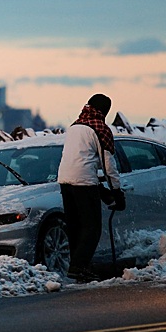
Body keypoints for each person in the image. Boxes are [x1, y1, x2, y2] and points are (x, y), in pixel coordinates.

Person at [57, 93, 124, 283]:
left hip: (64, 179)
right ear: (104, 110)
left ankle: (80, 266)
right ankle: (77, 268)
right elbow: (108, 165)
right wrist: (117, 191)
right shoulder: (100, 128)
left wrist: (103, 191)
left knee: (75, 226)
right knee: (92, 227)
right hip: (83, 182)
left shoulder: (74, 126)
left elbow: (80, 158)